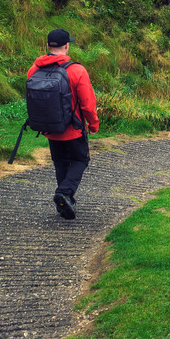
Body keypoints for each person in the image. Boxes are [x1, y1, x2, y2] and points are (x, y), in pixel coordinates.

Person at [27, 28, 99, 219]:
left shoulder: (34, 70)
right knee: (80, 160)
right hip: (73, 128)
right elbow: (88, 104)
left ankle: (63, 203)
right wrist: (93, 124)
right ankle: (64, 193)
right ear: (66, 46)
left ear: (49, 46)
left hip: (50, 128)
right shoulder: (77, 70)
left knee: (60, 162)